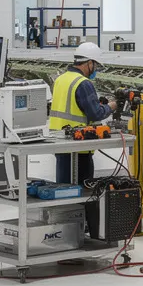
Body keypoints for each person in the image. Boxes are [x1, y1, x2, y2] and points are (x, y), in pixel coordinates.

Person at [49, 42, 114, 184]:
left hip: (58, 141)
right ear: (89, 63)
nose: (95, 69)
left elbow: (72, 105)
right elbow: (95, 114)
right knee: (84, 190)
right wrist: (110, 106)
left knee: (64, 188)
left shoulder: (61, 79)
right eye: (95, 66)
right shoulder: (83, 83)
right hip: (79, 144)